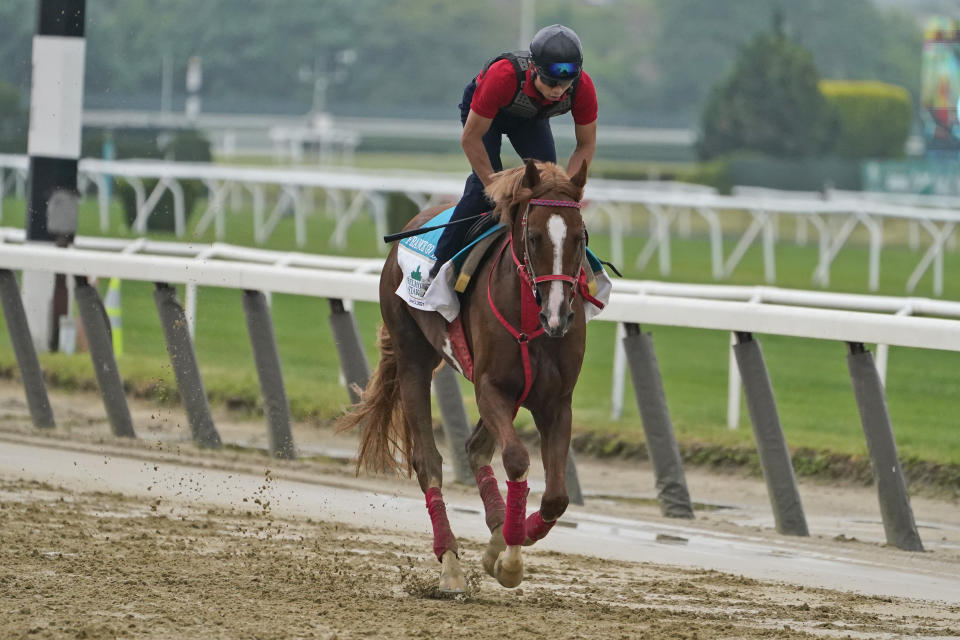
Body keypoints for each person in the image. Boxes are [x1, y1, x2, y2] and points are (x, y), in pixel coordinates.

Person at [429, 23, 598, 278]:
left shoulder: (583, 87)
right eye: (551, 81)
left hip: (530, 119)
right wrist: (495, 189)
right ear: (533, 68)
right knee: (481, 190)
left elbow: (585, 145)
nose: (558, 90)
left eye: (565, 83)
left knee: (549, 190)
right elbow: (471, 139)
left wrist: (569, 189)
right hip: (487, 117)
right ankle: (439, 267)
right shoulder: (503, 76)